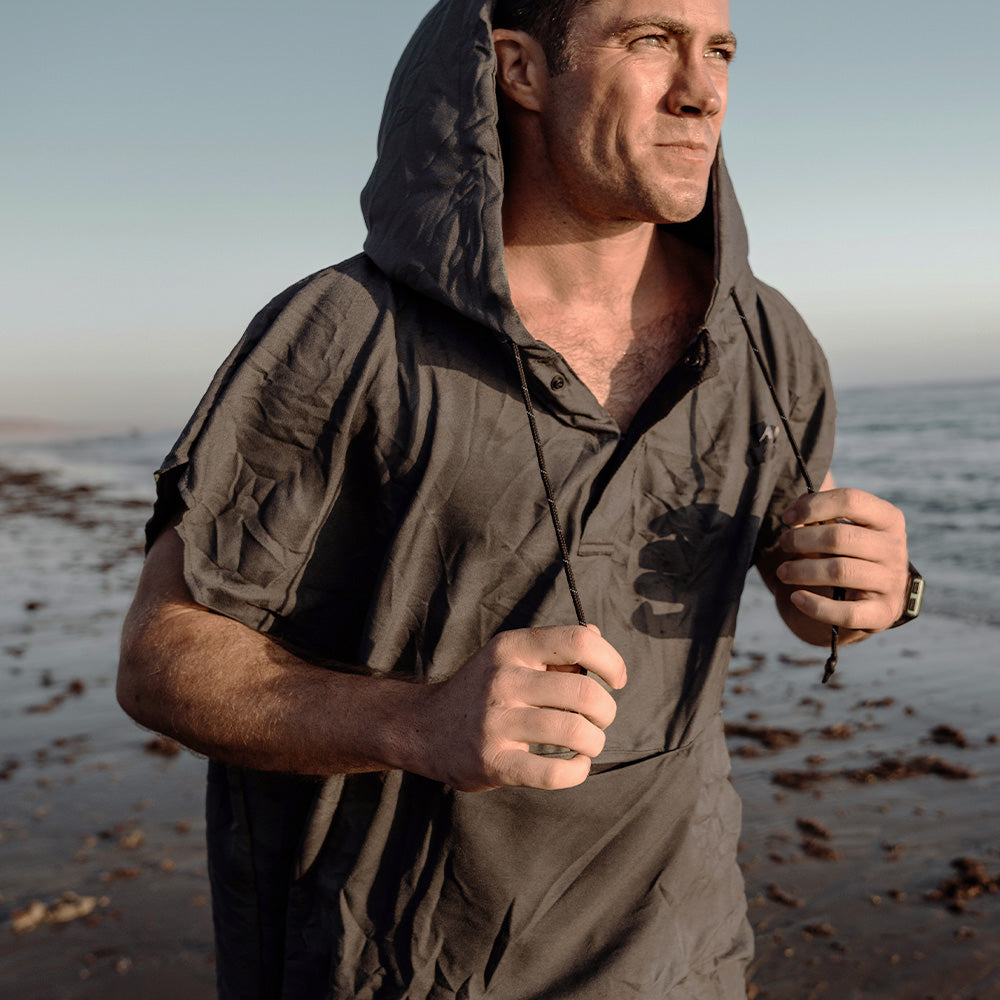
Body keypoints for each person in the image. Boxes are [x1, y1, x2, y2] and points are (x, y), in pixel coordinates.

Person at [117, 0, 916, 996]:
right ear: (520, 70)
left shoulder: (766, 339)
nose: (702, 91)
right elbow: (160, 656)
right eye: (649, 41)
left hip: (678, 956)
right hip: (392, 965)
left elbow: (812, 575)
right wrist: (413, 722)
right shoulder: (343, 334)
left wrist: (870, 589)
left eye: (718, 51)